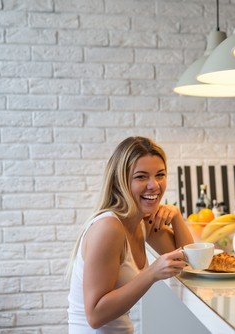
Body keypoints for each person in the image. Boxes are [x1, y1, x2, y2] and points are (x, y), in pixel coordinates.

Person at [67, 136, 194, 333]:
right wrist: (152, 273)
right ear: (121, 181)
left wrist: (176, 217)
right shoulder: (108, 228)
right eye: (141, 176)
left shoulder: (142, 221)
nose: (154, 185)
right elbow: (95, 316)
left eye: (160, 175)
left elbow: (188, 261)